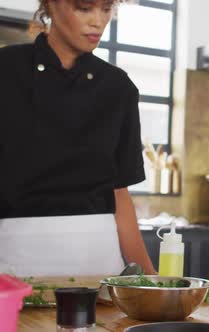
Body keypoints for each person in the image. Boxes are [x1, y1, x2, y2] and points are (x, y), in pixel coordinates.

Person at [0, 0, 157, 276]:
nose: (98, 21)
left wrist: (149, 280)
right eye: (84, 8)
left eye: (106, 9)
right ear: (51, 5)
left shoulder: (119, 88)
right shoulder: (6, 72)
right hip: (14, 262)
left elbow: (119, 194)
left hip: (99, 262)